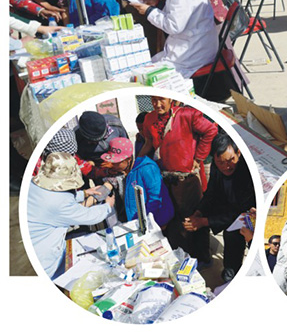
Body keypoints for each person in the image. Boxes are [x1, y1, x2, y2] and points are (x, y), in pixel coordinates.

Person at [139, 96, 218, 260]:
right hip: (165, 177)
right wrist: (137, 163)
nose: (157, 104)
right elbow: (149, 142)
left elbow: (210, 130)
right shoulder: (149, 119)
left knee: (192, 218)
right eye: (153, 100)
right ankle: (181, 257)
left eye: (161, 100)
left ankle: (202, 258)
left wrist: (199, 157)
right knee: (172, 219)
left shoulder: (187, 115)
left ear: (170, 99)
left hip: (187, 178)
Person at [27, 152, 116, 278]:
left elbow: (55, 194)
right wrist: (107, 206)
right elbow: (88, 216)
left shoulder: (32, 184)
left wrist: (84, 193)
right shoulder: (60, 204)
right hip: (44, 259)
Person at [184, 131, 256, 283]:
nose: (226, 167)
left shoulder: (247, 171)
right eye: (220, 162)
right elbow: (211, 192)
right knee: (193, 219)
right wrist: (199, 213)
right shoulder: (217, 167)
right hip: (225, 205)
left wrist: (204, 221)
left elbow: (238, 211)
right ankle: (203, 258)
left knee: (232, 235)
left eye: (230, 160)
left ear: (238, 153)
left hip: (246, 213)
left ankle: (232, 271)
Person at [98, 137, 174, 227]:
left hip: (155, 220)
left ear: (129, 159)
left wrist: (148, 223)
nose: (113, 165)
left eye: (117, 162)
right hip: (137, 222)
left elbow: (155, 198)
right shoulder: (123, 172)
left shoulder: (148, 169)